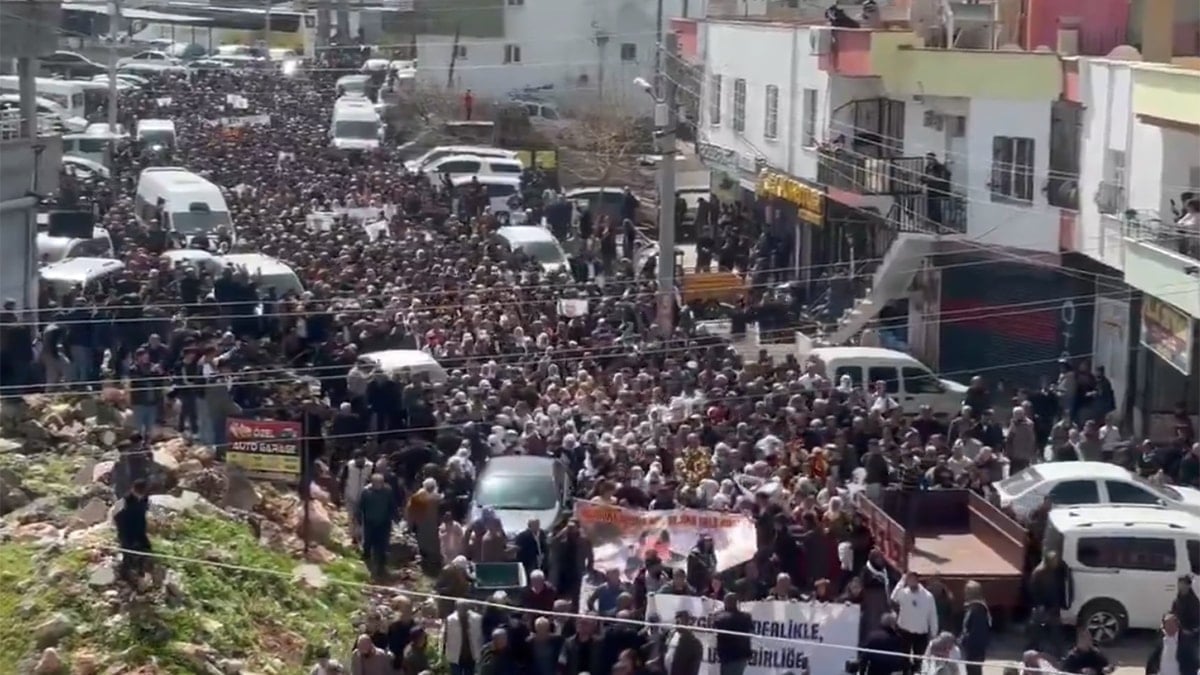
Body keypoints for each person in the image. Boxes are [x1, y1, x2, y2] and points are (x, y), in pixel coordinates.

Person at [891, 571, 938, 675]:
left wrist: (933, 633)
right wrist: (902, 580)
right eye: (909, 579)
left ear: (917, 580)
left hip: (921, 633)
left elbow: (932, 615)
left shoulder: (928, 596)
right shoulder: (903, 593)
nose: (911, 581)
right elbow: (893, 597)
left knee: (919, 661)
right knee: (904, 659)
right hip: (905, 631)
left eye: (913, 579)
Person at [357, 473, 399, 580]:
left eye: (380, 483)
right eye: (376, 483)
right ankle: (367, 560)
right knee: (368, 541)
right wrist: (359, 519)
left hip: (384, 522)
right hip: (370, 522)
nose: (378, 485)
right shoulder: (366, 492)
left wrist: (395, 517)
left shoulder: (387, 491)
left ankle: (381, 566)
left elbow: (392, 505)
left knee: (382, 544)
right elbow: (361, 506)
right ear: (372, 483)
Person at [112, 478, 152, 585]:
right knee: (127, 551)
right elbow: (115, 514)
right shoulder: (125, 500)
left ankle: (141, 570)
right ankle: (125, 574)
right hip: (126, 530)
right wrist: (119, 528)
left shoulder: (145, 499)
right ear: (133, 489)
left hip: (140, 529)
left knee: (146, 548)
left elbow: (146, 511)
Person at [711, 592, 753, 675]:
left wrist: (716, 613)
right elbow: (751, 630)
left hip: (729, 657)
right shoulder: (746, 617)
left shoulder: (722, 618)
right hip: (741, 657)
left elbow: (713, 625)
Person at [443, 599, 484, 675]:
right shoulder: (450, 620)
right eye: (461, 608)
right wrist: (443, 650)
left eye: (465, 608)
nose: (463, 610)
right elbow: (445, 635)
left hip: (471, 655)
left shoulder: (477, 619)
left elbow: (480, 636)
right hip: (455, 654)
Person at [958, 580, 991, 675]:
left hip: (975, 649)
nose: (965, 594)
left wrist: (963, 640)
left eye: (966, 592)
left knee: (974, 671)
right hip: (972, 649)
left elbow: (976, 632)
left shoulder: (978, 610)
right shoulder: (973, 608)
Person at [662, 609, 704, 675]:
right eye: (676, 618)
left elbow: (693, 670)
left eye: (681, 618)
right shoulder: (671, 635)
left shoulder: (695, 644)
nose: (677, 621)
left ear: (688, 622)